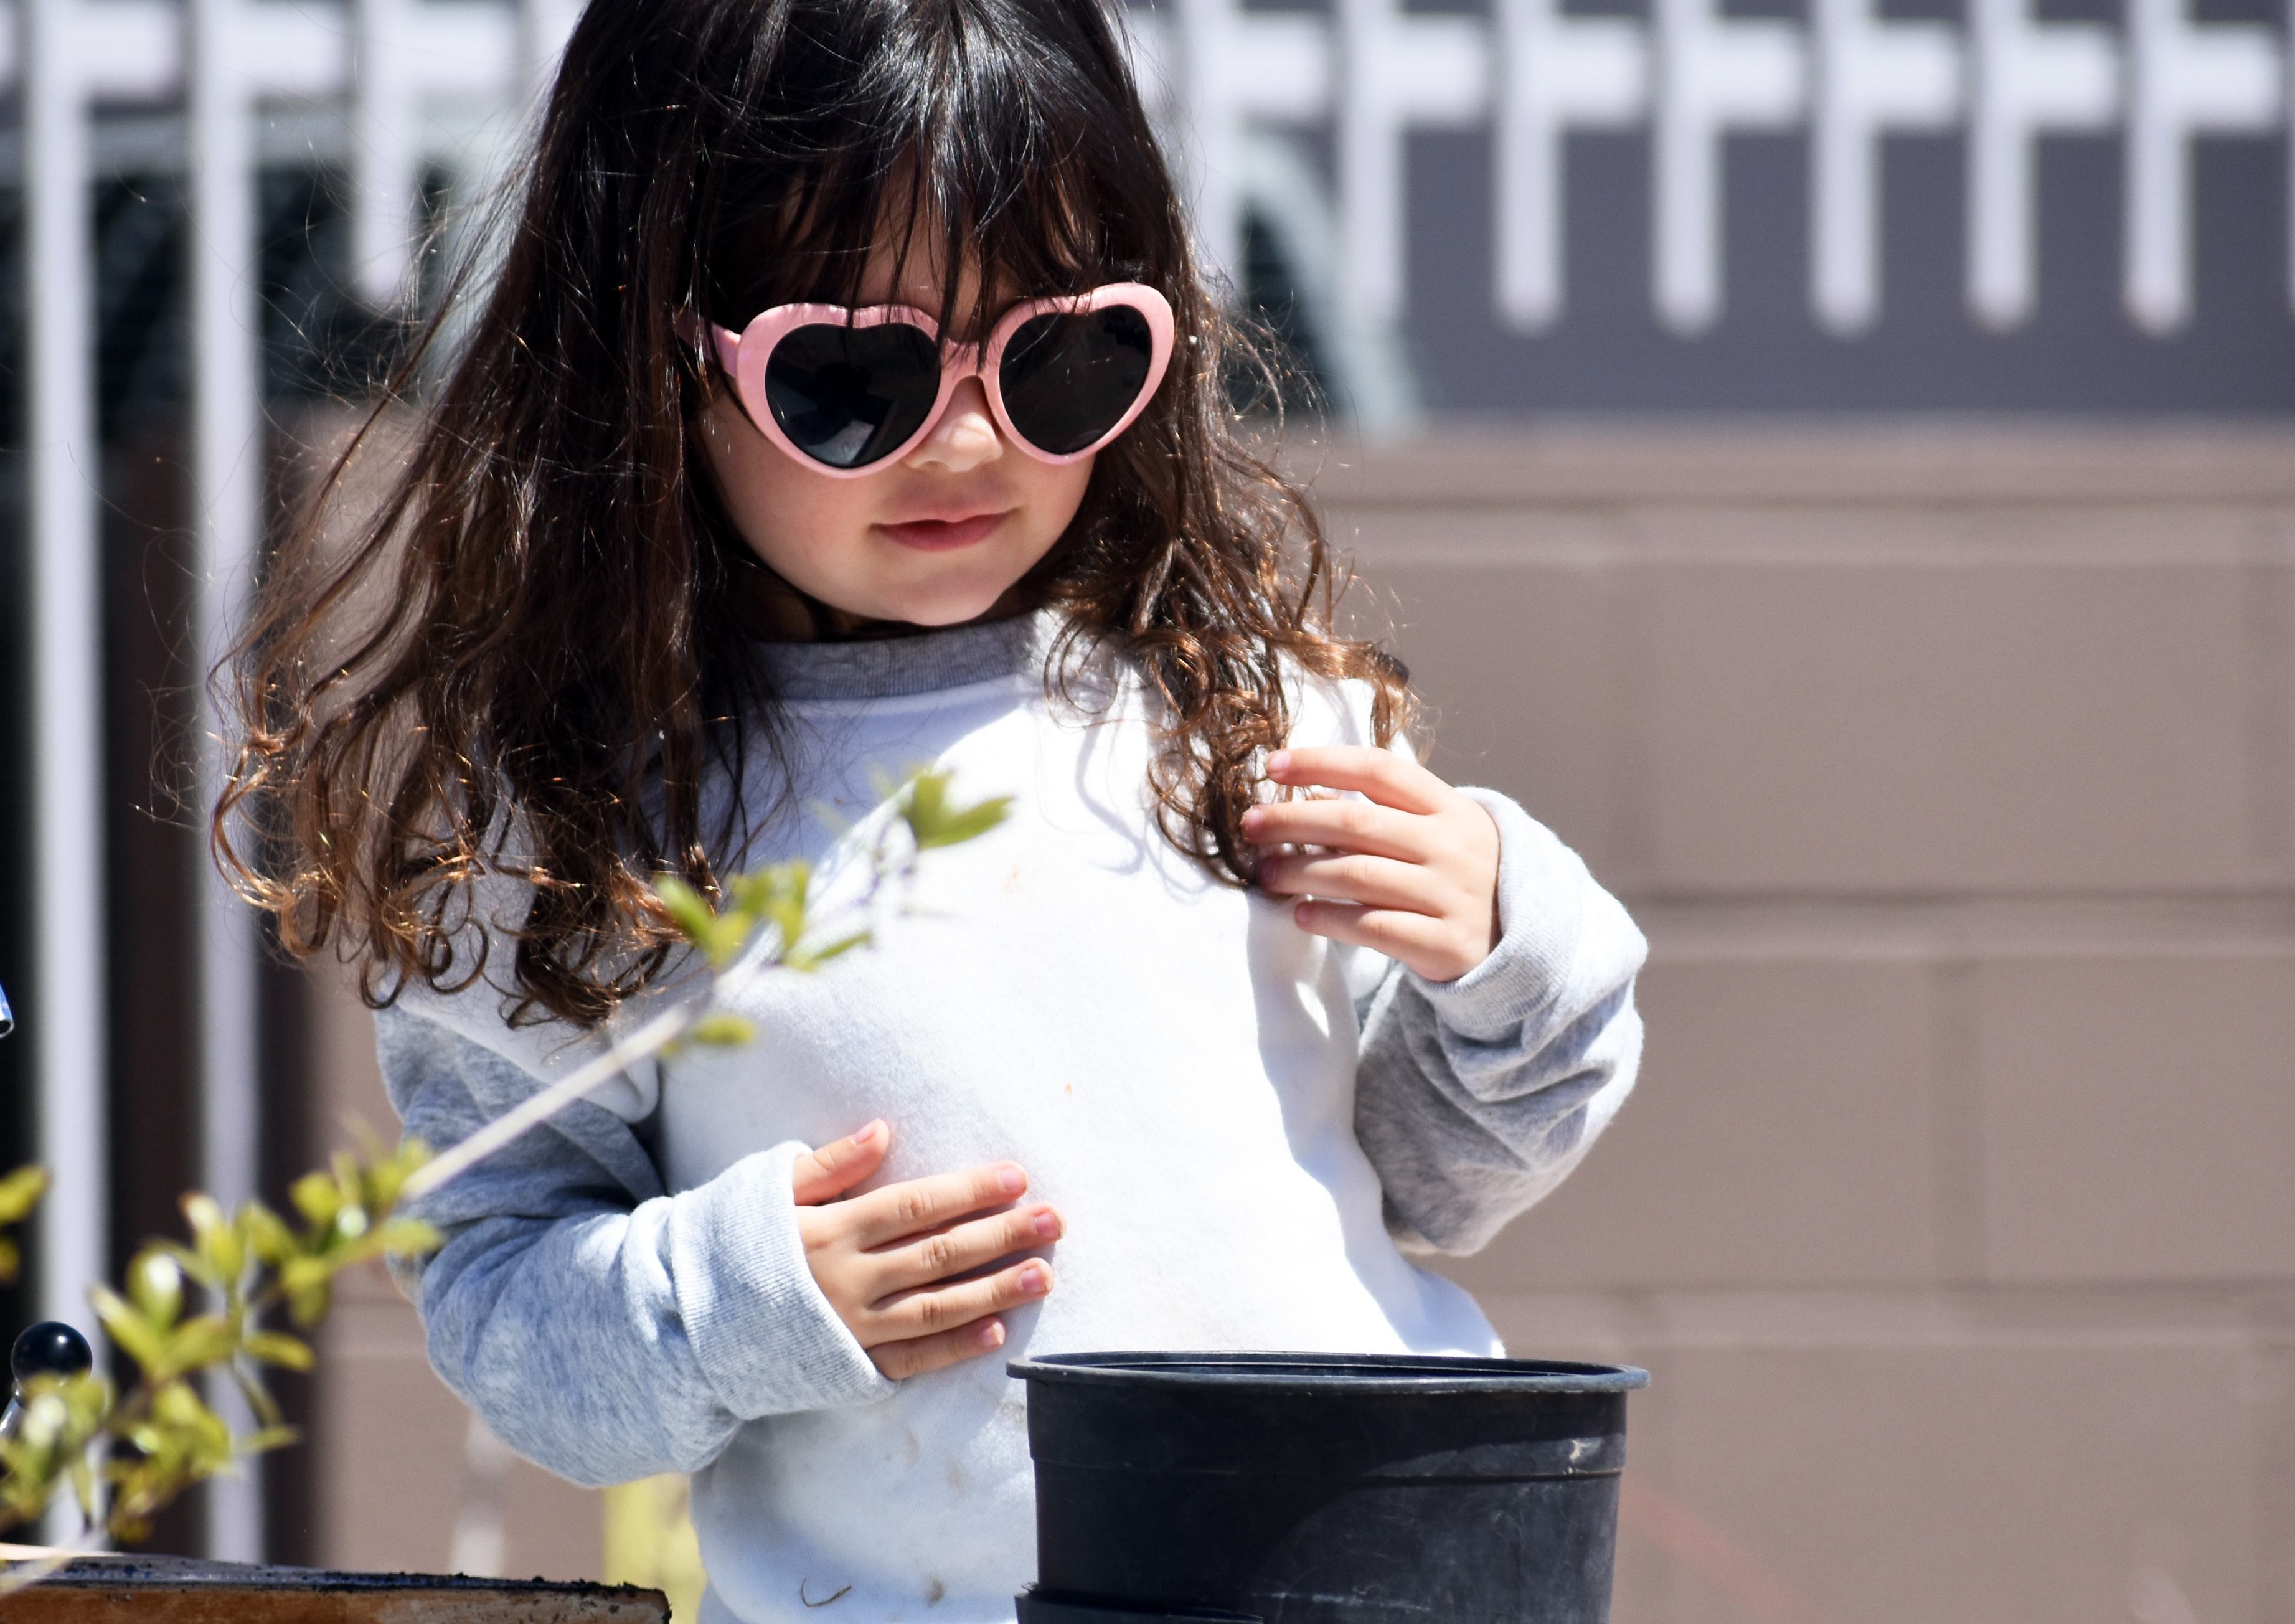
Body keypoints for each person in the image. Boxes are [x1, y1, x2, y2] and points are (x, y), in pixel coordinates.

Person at [220, 0, 1646, 1613]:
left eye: (1062, 355)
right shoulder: (578, 830)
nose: (971, 439)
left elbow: (1434, 1180)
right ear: (659, 361)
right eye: (854, 375)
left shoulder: (1235, 707)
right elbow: (507, 1328)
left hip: (1391, 1572)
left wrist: (1518, 950)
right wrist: (746, 1296)